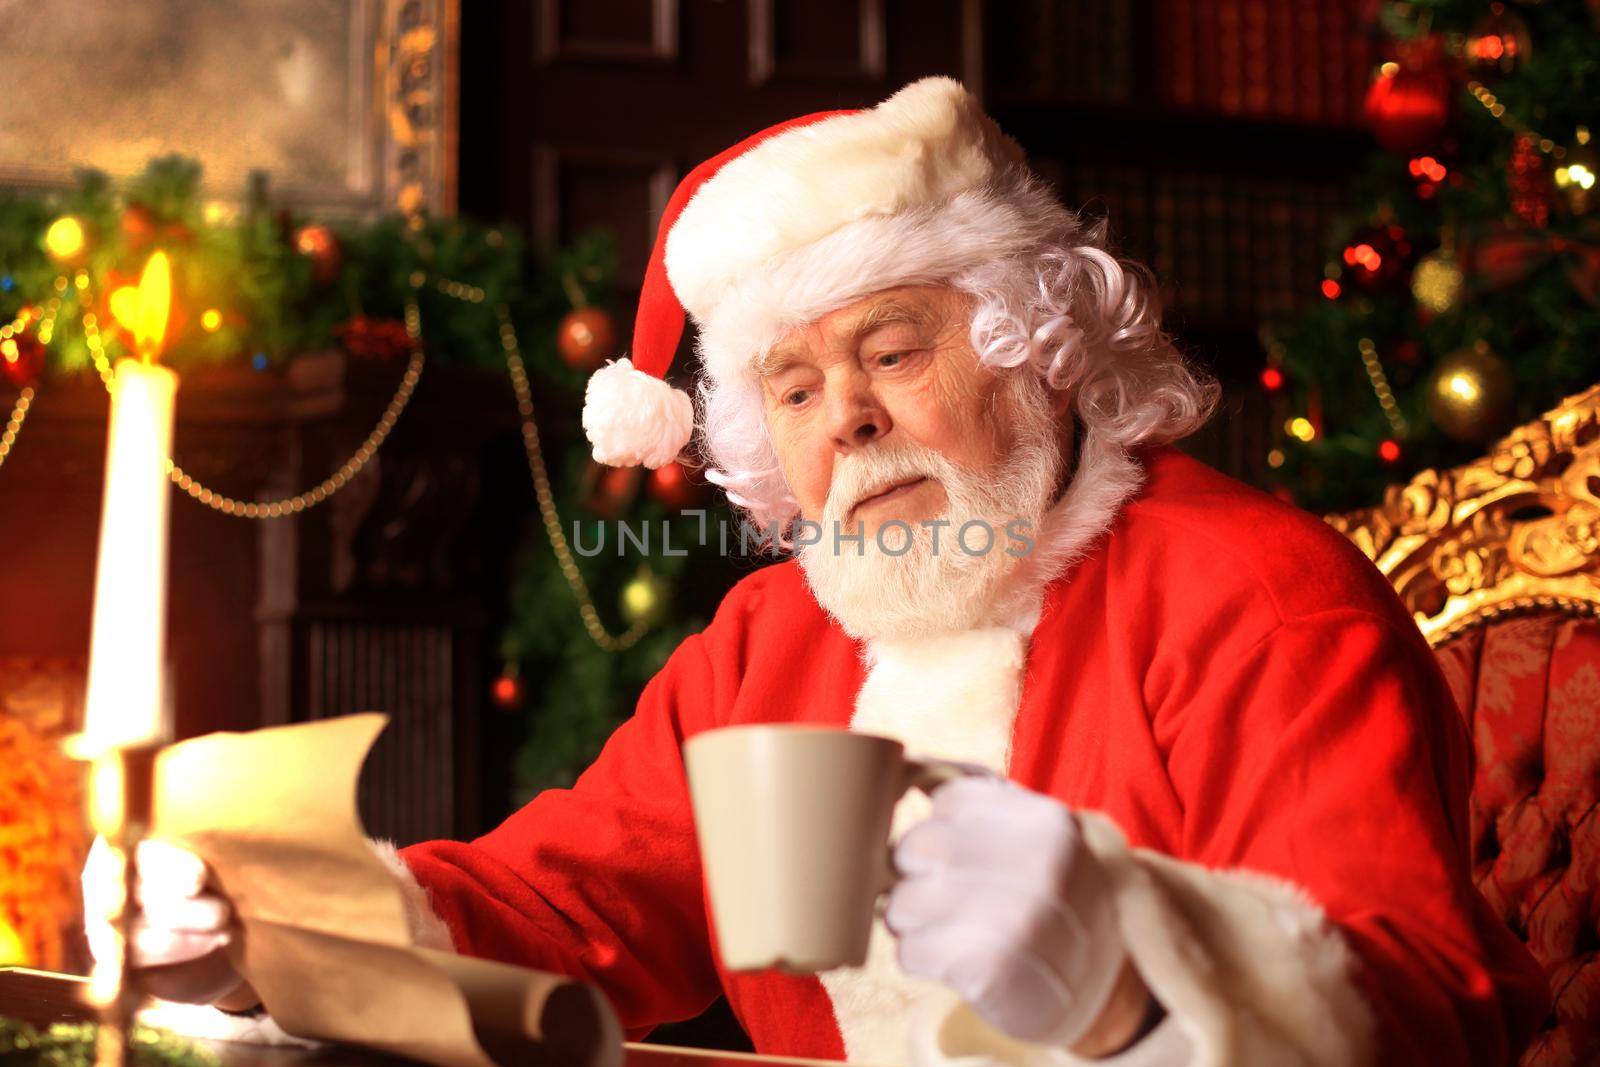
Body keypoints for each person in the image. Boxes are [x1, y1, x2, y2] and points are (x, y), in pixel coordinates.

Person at [90, 77, 1548, 1065]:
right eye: (790, 388)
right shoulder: (766, 644)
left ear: (1038, 345)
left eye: (892, 352)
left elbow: (1432, 1011)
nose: (844, 416)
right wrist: (263, 927)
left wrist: (1137, 982)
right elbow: (565, 904)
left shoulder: (1258, 597)